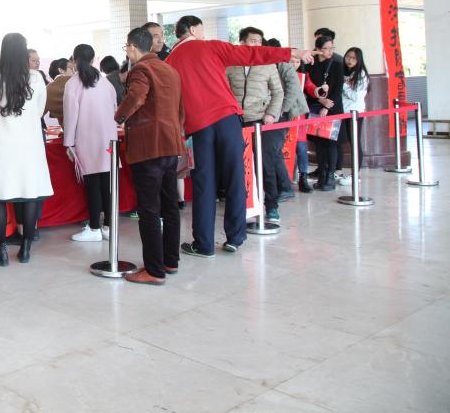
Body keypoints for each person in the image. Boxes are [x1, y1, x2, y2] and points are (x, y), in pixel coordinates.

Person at [166, 15, 312, 258]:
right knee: (235, 176)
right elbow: (251, 54)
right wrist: (291, 52)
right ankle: (235, 237)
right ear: (192, 29)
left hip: (198, 126)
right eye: (201, 29)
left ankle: (204, 244)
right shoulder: (210, 46)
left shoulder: (170, 60)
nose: (203, 33)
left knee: (204, 183)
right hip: (228, 120)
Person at [115, 28, 185, 285]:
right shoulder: (169, 69)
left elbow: (136, 97)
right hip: (171, 143)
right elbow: (180, 109)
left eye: (127, 48)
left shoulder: (141, 70)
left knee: (149, 209)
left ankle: (154, 271)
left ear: (132, 47)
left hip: (148, 147)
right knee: (170, 205)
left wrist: (119, 117)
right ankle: (170, 261)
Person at [0, 33, 53, 266]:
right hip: (29, 145)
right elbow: (39, 111)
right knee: (30, 194)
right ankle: (26, 249)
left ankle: (0, 252)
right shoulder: (36, 78)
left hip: (1, 144)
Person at [225, 27, 285, 223]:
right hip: (237, 120)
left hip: (261, 120)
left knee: (265, 163)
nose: (257, 44)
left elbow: (278, 92)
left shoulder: (268, 64)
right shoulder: (231, 64)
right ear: (242, 42)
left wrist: (271, 114)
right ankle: (243, 205)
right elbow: (224, 90)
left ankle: (271, 205)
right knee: (239, 164)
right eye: (252, 41)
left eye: (259, 41)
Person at [63, 44, 118, 242]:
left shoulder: (73, 84)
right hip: (108, 139)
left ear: (74, 60)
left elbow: (70, 116)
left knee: (93, 185)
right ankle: (108, 227)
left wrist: (69, 142)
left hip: (86, 139)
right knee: (108, 184)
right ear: (94, 59)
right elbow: (115, 108)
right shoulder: (105, 82)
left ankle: (94, 228)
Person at [266, 38, 310, 199]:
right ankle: (283, 187)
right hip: (276, 112)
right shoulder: (270, 64)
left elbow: (293, 89)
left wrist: (281, 110)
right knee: (275, 150)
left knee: (274, 150)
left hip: (284, 112)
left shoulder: (284, 64)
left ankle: (285, 187)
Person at [304, 35, 344, 192]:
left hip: (333, 108)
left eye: (331, 48)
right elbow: (306, 86)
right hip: (316, 107)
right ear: (318, 49)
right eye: (326, 48)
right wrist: (321, 101)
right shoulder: (311, 64)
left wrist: (327, 107)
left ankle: (330, 177)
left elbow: (338, 90)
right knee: (319, 143)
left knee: (331, 143)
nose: (329, 51)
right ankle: (322, 173)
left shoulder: (337, 64)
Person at [338, 47, 369, 184]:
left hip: (355, 113)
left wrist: (344, 85)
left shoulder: (361, 75)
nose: (350, 60)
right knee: (339, 142)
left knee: (354, 143)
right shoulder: (342, 71)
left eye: (353, 58)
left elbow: (355, 96)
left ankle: (356, 174)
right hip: (342, 112)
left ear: (359, 60)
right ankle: (338, 171)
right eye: (348, 57)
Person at [44, 58, 75, 123]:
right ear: (61, 70)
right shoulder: (74, 83)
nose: (74, 72)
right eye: (71, 69)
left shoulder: (48, 89)